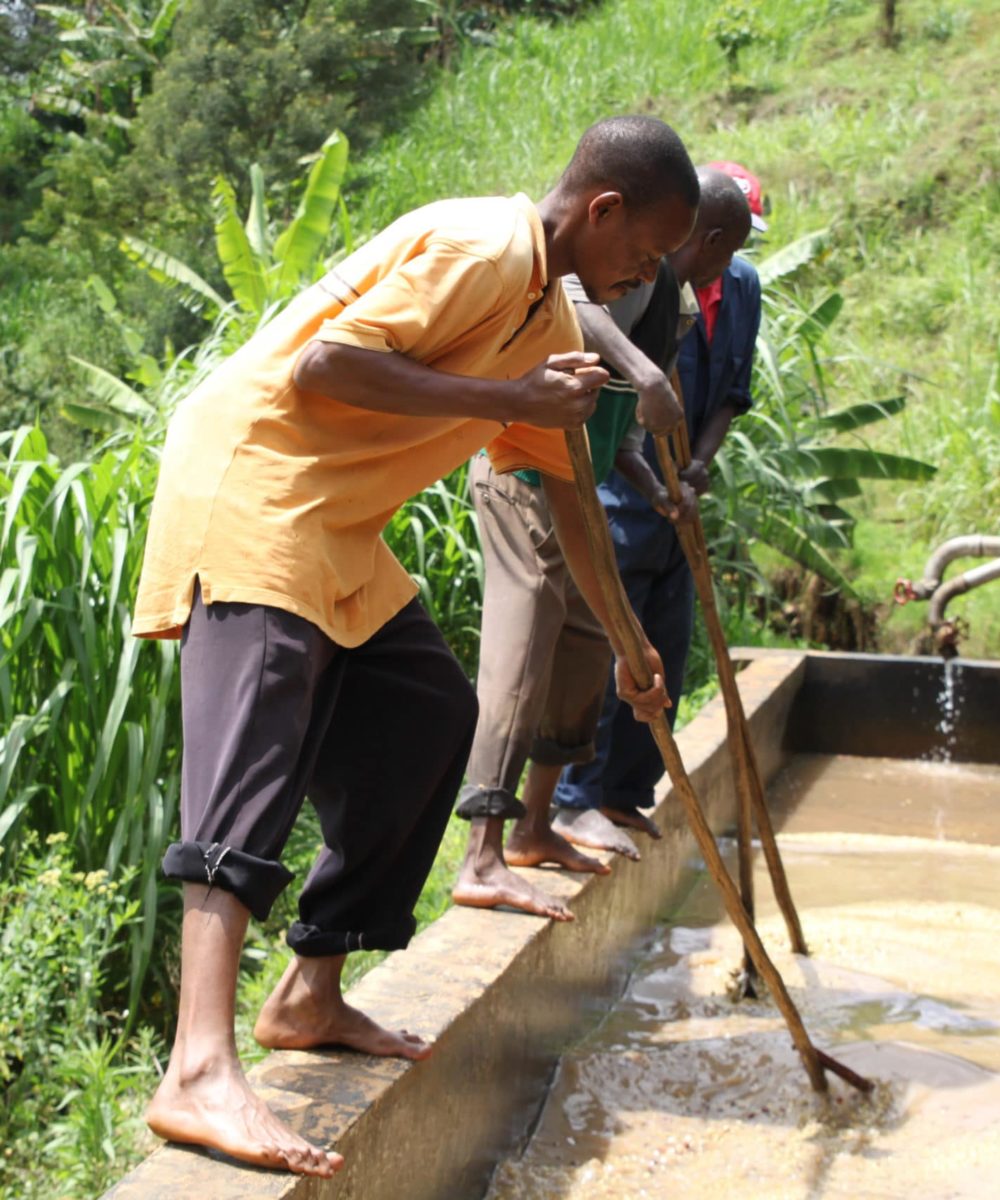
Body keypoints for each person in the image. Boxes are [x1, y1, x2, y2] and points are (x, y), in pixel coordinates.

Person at [132, 115, 699, 1177]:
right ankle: (196, 1070)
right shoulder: (484, 245)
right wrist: (504, 398)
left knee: (427, 718)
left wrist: (629, 648)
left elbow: (569, 494)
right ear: (603, 209)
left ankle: (308, 993)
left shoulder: (551, 327)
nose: (643, 275)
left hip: (336, 524)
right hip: (257, 487)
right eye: (647, 250)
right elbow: (323, 369)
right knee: (252, 763)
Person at [452, 236, 700, 919]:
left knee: (589, 640)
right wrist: (643, 372)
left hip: (577, 487)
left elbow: (618, 440)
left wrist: (654, 486)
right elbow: (571, 305)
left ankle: (535, 829)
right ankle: (481, 853)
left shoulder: (667, 313)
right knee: (526, 629)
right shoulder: (605, 281)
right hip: (517, 472)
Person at [552, 162, 765, 858]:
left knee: (665, 647)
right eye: (726, 245)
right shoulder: (638, 284)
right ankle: (575, 799)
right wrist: (649, 475)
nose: (729, 262)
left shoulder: (737, 291)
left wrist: (696, 469)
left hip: (675, 496)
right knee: (614, 642)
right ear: (702, 235)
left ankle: (624, 792)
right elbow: (617, 407)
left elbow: (733, 389)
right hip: (623, 486)